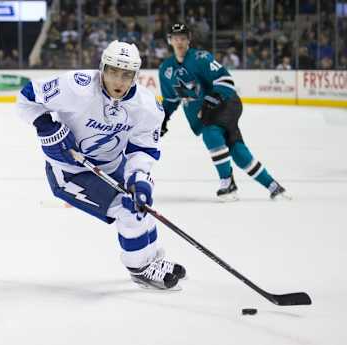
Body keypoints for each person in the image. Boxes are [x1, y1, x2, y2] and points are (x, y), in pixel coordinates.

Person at [17, 40, 186, 290]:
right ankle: (139, 267)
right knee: (127, 209)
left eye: (126, 74)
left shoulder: (147, 107)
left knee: (141, 203)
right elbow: (26, 97)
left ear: (135, 76)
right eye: (113, 72)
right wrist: (45, 124)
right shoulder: (76, 87)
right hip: (70, 171)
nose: (118, 81)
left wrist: (139, 177)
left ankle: (150, 258)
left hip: (112, 165)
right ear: (102, 68)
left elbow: (142, 149)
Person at [159, 24, 290, 201]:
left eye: (183, 38)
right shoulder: (166, 70)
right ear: (170, 41)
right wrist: (163, 118)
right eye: (175, 38)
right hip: (205, 115)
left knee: (211, 133)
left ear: (189, 39)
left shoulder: (201, 58)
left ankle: (227, 183)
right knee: (237, 150)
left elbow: (226, 80)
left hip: (226, 104)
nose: (179, 42)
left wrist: (209, 101)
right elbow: (171, 100)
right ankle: (274, 186)